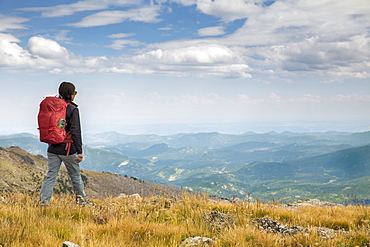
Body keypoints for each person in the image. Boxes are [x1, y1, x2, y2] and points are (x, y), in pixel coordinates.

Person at [39, 82, 87, 205]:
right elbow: (75, 131)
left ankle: (43, 202)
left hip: (52, 148)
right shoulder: (72, 109)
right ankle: (82, 202)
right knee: (75, 176)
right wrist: (79, 151)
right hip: (67, 149)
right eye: (74, 93)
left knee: (51, 176)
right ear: (71, 94)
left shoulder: (53, 107)